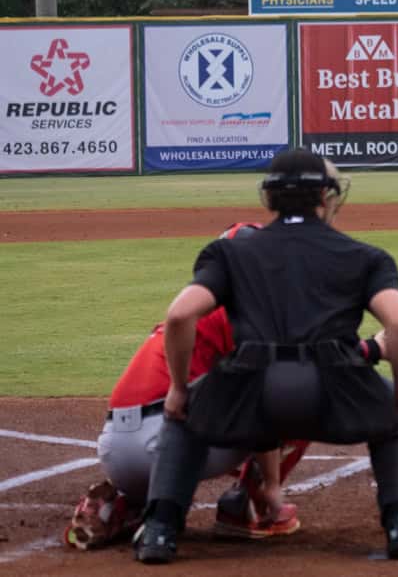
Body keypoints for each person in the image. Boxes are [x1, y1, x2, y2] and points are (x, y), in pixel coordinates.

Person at [133, 149, 398, 564]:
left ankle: (159, 529)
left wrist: (177, 390)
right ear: (326, 197)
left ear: (269, 199)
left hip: (247, 396)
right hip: (335, 396)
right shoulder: (365, 256)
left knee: (184, 413)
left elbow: (179, 315)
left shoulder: (230, 253)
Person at [65, 223, 308, 551]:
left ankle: (125, 504)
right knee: (298, 398)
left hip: (114, 448)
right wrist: (273, 484)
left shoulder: (194, 306)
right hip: (166, 444)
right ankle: (250, 508)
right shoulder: (248, 315)